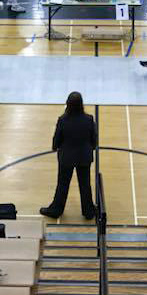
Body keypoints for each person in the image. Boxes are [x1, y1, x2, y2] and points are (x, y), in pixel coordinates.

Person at [40, 92, 98, 220]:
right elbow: (94, 138)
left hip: (66, 157)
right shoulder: (89, 119)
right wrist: (91, 147)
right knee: (85, 184)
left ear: (68, 104)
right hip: (84, 157)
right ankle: (88, 211)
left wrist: (55, 147)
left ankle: (56, 210)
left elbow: (57, 138)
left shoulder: (63, 120)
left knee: (62, 184)